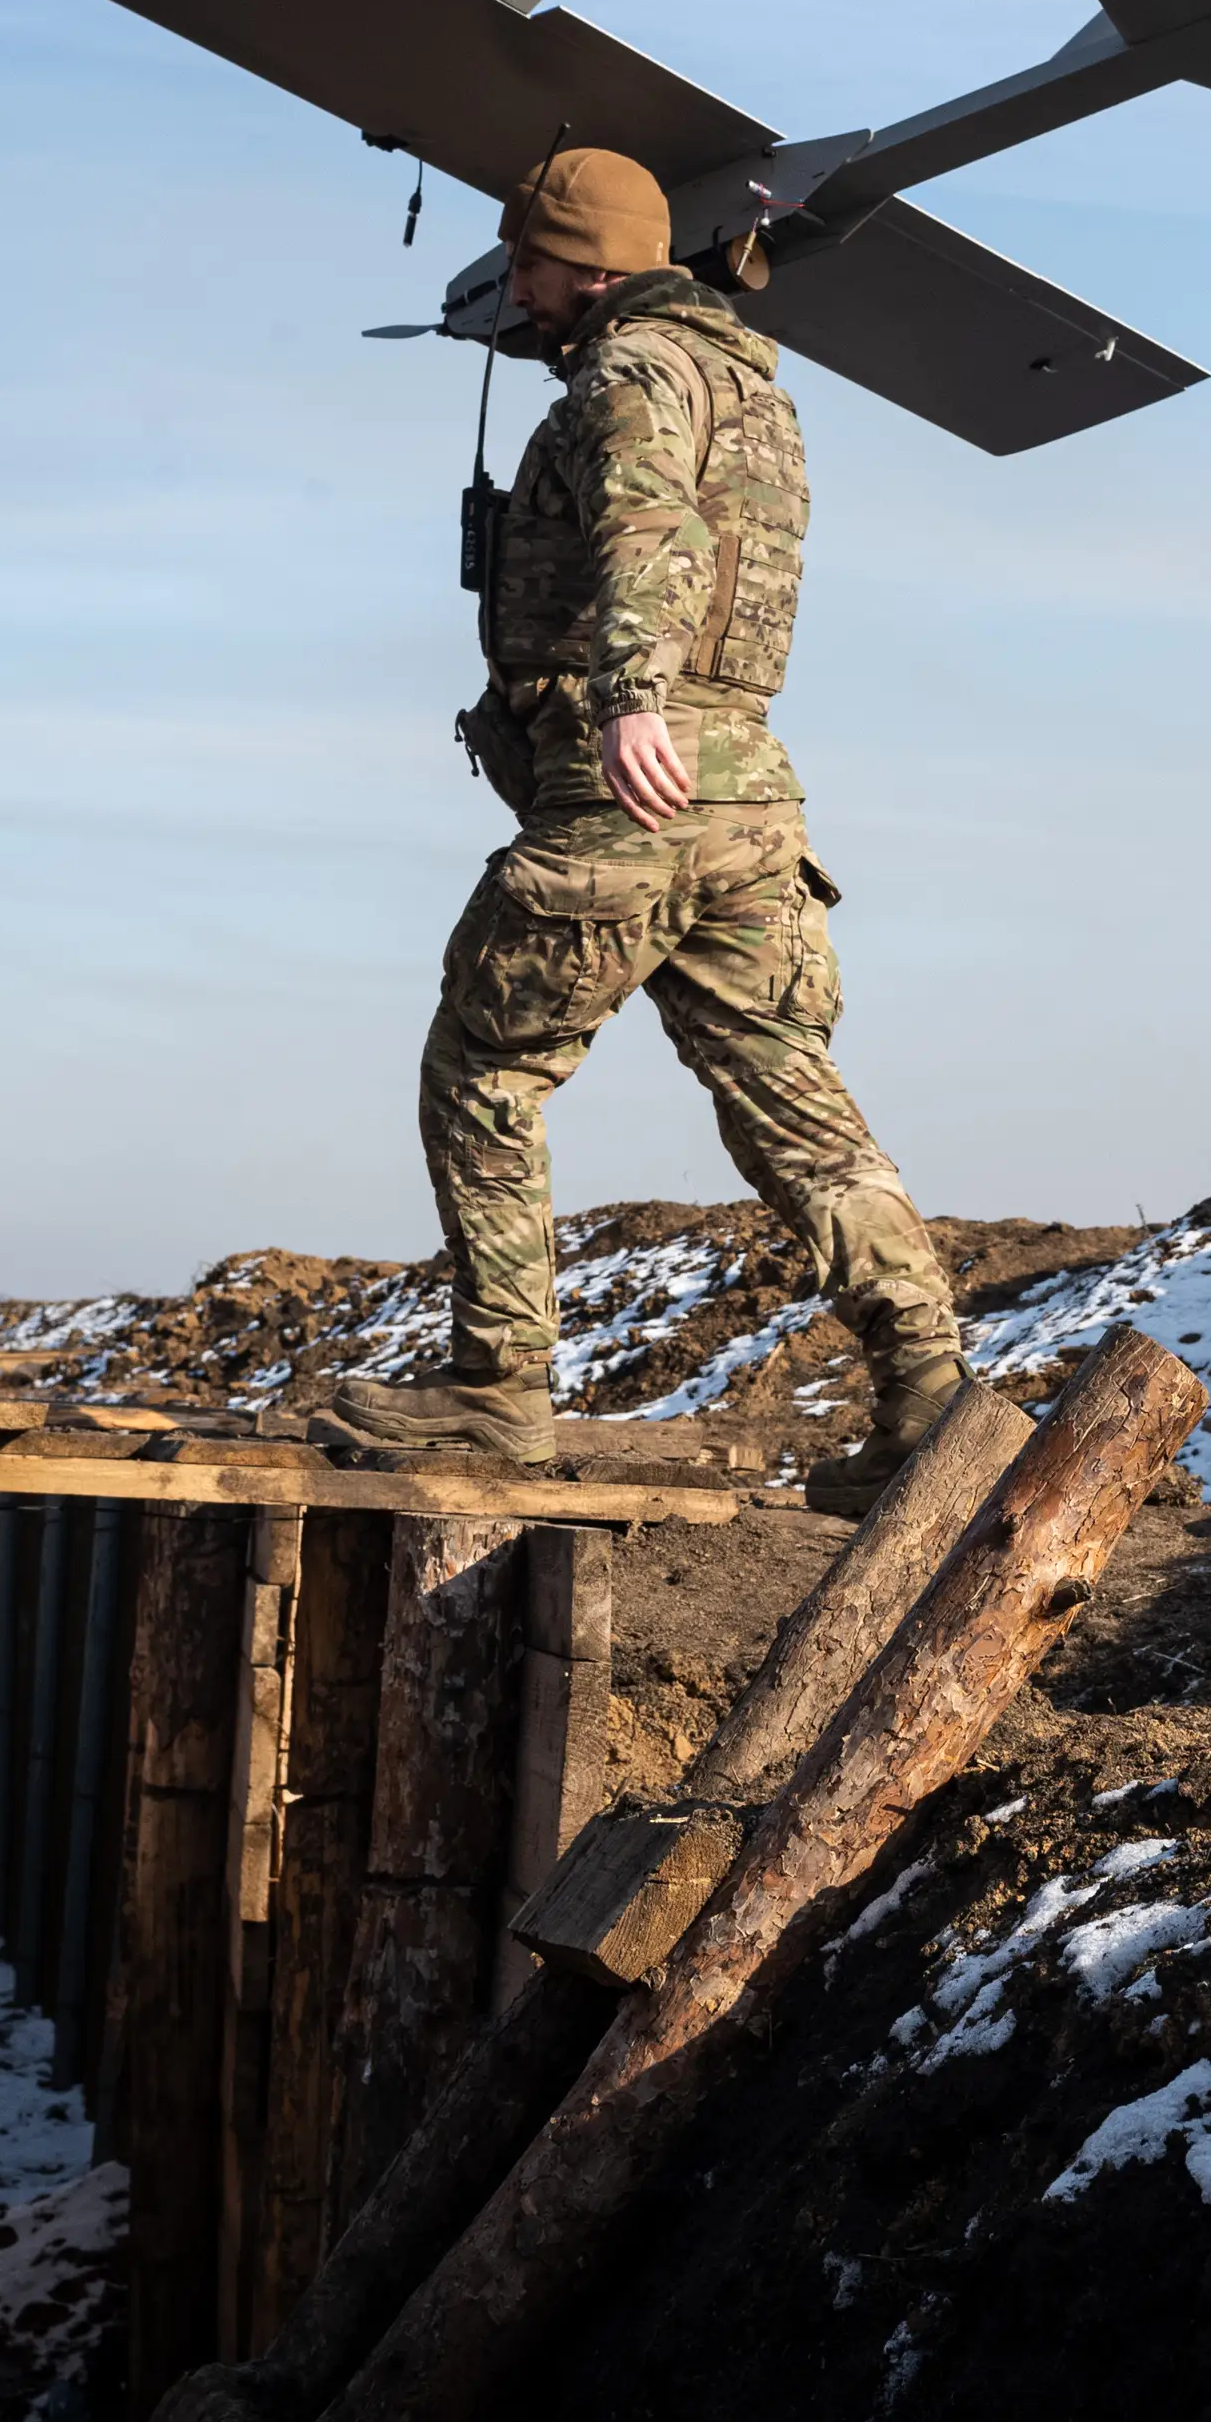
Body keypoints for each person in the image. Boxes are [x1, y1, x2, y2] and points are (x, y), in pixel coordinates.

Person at [320, 148, 968, 1492]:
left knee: (484, 1072)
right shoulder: (757, 392)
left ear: (590, 267)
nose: (522, 291)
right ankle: (930, 1393)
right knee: (794, 1104)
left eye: (535, 266)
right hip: (749, 806)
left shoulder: (631, 377)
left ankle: (499, 1393)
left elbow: (649, 529)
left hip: (635, 790)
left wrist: (628, 701)